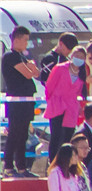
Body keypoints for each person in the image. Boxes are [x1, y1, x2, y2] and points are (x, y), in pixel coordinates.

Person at [2, 26, 40, 177]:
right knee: (15, 133)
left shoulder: (21, 56)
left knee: (24, 135)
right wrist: (30, 67)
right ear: (16, 39)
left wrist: (31, 67)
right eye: (25, 39)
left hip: (26, 101)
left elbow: (36, 73)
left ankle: (22, 167)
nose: (26, 43)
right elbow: (28, 74)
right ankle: (9, 166)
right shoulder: (11, 56)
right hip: (16, 102)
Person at [44, 46, 86, 160]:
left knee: (67, 137)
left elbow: (81, 91)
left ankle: (65, 162)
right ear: (71, 56)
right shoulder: (60, 68)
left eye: (82, 57)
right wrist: (51, 101)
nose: (79, 59)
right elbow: (49, 86)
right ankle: (52, 162)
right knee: (56, 136)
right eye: (76, 56)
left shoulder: (82, 73)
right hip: (57, 104)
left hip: (71, 107)